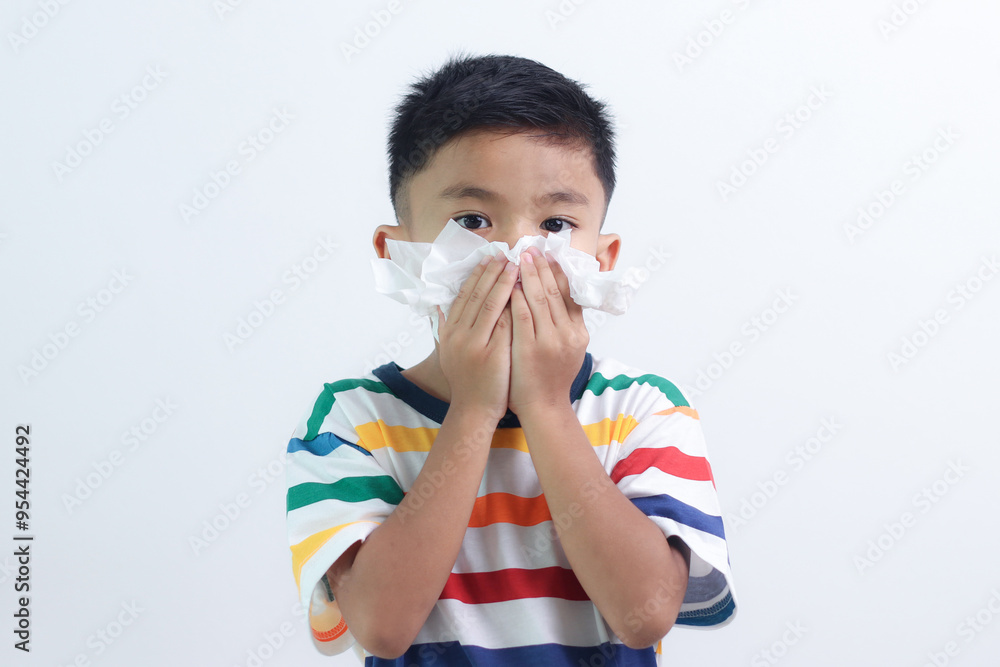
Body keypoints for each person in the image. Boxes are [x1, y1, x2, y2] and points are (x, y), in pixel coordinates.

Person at [285, 53, 737, 666]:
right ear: (397, 253)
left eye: (556, 223)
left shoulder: (642, 409)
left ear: (602, 260)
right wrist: (474, 409)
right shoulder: (351, 419)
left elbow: (645, 614)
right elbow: (382, 627)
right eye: (472, 220)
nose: (516, 254)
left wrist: (546, 406)